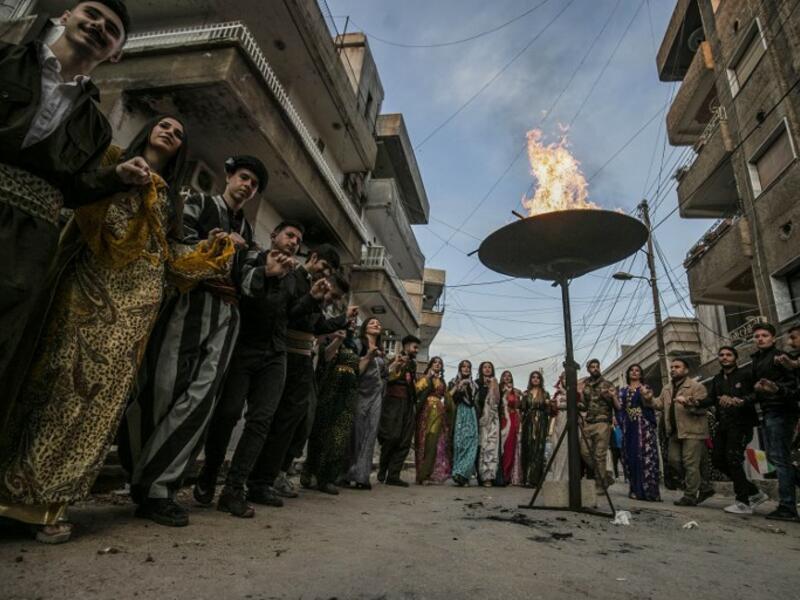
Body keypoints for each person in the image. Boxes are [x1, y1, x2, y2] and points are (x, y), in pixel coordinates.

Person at [0, 116, 233, 542]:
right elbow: (81, 204)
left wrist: (208, 252)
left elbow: (169, 255)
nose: (171, 133)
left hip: (137, 305)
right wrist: (120, 180)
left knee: (99, 398)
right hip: (88, 286)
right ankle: (10, 492)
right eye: (165, 125)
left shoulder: (172, 198)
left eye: (180, 133)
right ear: (148, 130)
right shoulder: (109, 162)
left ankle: (48, 505)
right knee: (55, 377)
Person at [0, 0, 136, 453]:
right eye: (92, 14)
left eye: (112, 30)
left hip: (31, 245)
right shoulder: (5, 59)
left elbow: (75, 189)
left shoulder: (95, 124)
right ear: (66, 15)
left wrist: (115, 178)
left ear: (115, 52)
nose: (99, 27)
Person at [118, 155, 268, 525]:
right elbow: (177, 248)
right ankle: (141, 477)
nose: (247, 186)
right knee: (163, 390)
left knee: (200, 401)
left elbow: (248, 283)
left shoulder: (247, 230)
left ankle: (158, 489)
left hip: (225, 315)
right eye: (244, 178)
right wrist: (214, 245)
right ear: (229, 176)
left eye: (254, 184)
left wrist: (264, 268)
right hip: (189, 303)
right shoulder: (199, 203)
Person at [192, 223, 326, 519]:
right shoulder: (253, 256)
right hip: (244, 347)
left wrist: (312, 299)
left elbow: (291, 313)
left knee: (261, 420)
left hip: (275, 355)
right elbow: (245, 288)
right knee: (227, 414)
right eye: (290, 235)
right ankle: (209, 474)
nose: (294, 242)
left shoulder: (293, 275)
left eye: (298, 239)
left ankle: (234, 489)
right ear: (274, 236)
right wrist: (268, 272)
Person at [244, 245, 356, 501]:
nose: (325, 277)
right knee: (275, 421)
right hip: (286, 354)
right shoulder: (296, 279)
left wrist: (341, 321)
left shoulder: (312, 289)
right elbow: (294, 316)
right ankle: (259, 479)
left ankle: (268, 477)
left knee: (294, 423)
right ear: (313, 258)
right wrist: (316, 303)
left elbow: (317, 325)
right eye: (324, 268)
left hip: (301, 359)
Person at [303, 285, 360, 495]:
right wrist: (338, 338)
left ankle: (327, 478)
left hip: (348, 394)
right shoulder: (329, 333)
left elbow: (358, 369)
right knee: (320, 432)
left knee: (339, 435)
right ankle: (309, 472)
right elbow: (326, 357)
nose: (352, 325)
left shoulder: (356, 346)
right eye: (350, 322)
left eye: (354, 323)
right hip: (329, 388)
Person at [745, 323, 799, 521]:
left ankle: (787, 507)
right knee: (775, 458)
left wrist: (775, 388)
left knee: (780, 459)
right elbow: (757, 389)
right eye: (757, 336)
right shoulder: (757, 360)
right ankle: (787, 504)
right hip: (768, 412)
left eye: (764, 335)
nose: (760, 338)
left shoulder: (781, 358)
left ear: (773, 339)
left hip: (781, 411)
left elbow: (792, 388)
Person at [643, 358, 714, 507]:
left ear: (686, 370)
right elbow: (659, 405)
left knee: (690, 464)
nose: (673, 369)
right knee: (674, 460)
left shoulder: (696, 386)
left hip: (693, 431)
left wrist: (689, 403)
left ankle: (690, 496)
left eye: (677, 367)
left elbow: (703, 408)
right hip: (674, 432)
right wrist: (649, 399)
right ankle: (704, 487)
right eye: (672, 367)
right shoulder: (667, 388)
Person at [705, 347, 766, 515]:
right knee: (718, 459)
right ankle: (754, 492)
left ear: (735, 358)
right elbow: (711, 399)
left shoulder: (746, 374)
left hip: (742, 424)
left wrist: (741, 401)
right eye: (721, 355)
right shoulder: (717, 379)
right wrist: (694, 402)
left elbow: (757, 393)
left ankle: (743, 502)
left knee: (733, 459)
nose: (724, 358)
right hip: (723, 425)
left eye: (728, 355)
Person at [346, 318, 388, 489]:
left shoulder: (382, 351)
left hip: (376, 396)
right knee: (356, 432)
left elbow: (383, 375)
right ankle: (348, 473)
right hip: (359, 393)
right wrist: (370, 355)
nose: (377, 324)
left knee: (371, 433)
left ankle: (362, 477)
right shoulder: (358, 344)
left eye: (379, 323)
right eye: (372, 323)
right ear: (364, 328)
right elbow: (355, 369)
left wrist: (393, 365)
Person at [377, 334, 421, 487]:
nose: (416, 350)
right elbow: (387, 377)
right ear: (406, 346)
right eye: (414, 347)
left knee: (405, 440)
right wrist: (398, 365)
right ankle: (383, 469)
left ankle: (393, 475)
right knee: (391, 437)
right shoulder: (395, 359)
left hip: (408, 404)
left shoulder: (413, 365)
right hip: (393, 402)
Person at [617, 364, 661, 501]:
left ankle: (649, 491)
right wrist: (613, 397)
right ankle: (634, 489)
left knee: (645, 455)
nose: (634, 372)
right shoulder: (623, 391)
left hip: (643, 425)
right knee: (630, 456)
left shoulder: (645, 388)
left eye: (637, 371)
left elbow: (649, 402)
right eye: (632, 370)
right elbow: (620, 408)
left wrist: (646, 396)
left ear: (641, 374)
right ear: (628, 374)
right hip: (629, 426)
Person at [578, 359, 620, 493]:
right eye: (592, 367)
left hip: (603, 422)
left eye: (597, 366)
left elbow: (617, 405)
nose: (595, 369)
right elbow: (584, 406)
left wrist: (611, 396)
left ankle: (600, 485)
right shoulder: (586, 386)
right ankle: (605, 476)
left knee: (600, 454)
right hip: (589, 422)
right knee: (584, 452)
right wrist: (576, 401)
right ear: (588, 369)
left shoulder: (607, 384)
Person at [415, 357, 453, 484]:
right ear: (430, 365)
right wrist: (427, 377)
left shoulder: (442, 381)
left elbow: (447, 397)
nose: (437, 365)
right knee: (425, 441)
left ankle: (432, 473)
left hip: (439, 413)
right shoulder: (426, 378)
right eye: (435, 363)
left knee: (436, 443)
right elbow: (417, 389)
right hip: (427, 411)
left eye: (440, 363)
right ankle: (422, 474)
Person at [449, 360, 480, 486]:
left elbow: (474, 401)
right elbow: (451, 398)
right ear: (460, 368)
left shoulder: (474, 385)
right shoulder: (453, 381)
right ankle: (457, 473)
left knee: (472, 442)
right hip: (459, 413)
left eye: (469, 367)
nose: (466, 369)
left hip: (471, 414)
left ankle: (465, 474)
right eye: (464, 366)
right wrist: (460, 385)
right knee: (459, 443)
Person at [520, 371, 551, 488]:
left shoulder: (545, 393)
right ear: (530, 379)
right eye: (533, 377)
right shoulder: (526, 393)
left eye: (538, 377)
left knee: (538, 449)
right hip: (528, 423)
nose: (535, 379)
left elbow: (548, 411)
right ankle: (526, 479)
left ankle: (535, 480)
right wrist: (521, 399)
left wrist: (548, 404)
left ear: (540, 380)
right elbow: (522, 409)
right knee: (527, 448)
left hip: (541, 422)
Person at [476, 361, 501, 487]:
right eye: (484, 367)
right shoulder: (476, 383)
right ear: (481, 370)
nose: (487, 369)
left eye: (489, 367)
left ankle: (489, 477)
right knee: (482, 446)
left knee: (491, 446)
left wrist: (492, 386)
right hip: (480, 418)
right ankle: (481, 475)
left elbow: (497, 400)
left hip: (493, 419)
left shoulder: (495, 383)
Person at [498, 370, 523, 485]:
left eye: (509, 376)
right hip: (500, 419)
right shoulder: (497, 390)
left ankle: (507, 475)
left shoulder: (516, 392)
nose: (507, 377)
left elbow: (519, 407)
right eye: (505, 376)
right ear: (502, 378)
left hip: (512, 420)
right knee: (500, 446)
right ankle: (499, 474)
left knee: (509, 446)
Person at [546, 373, 568, 482]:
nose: (566, 380)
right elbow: (552, 412)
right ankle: (556, 476)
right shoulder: (556, 394)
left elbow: (576, 403)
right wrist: (551, 406)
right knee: (556, 448)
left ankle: (564, 477)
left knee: (565, 449)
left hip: (568, 422)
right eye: (564, 378)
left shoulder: (575, 393)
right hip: (557, 422)